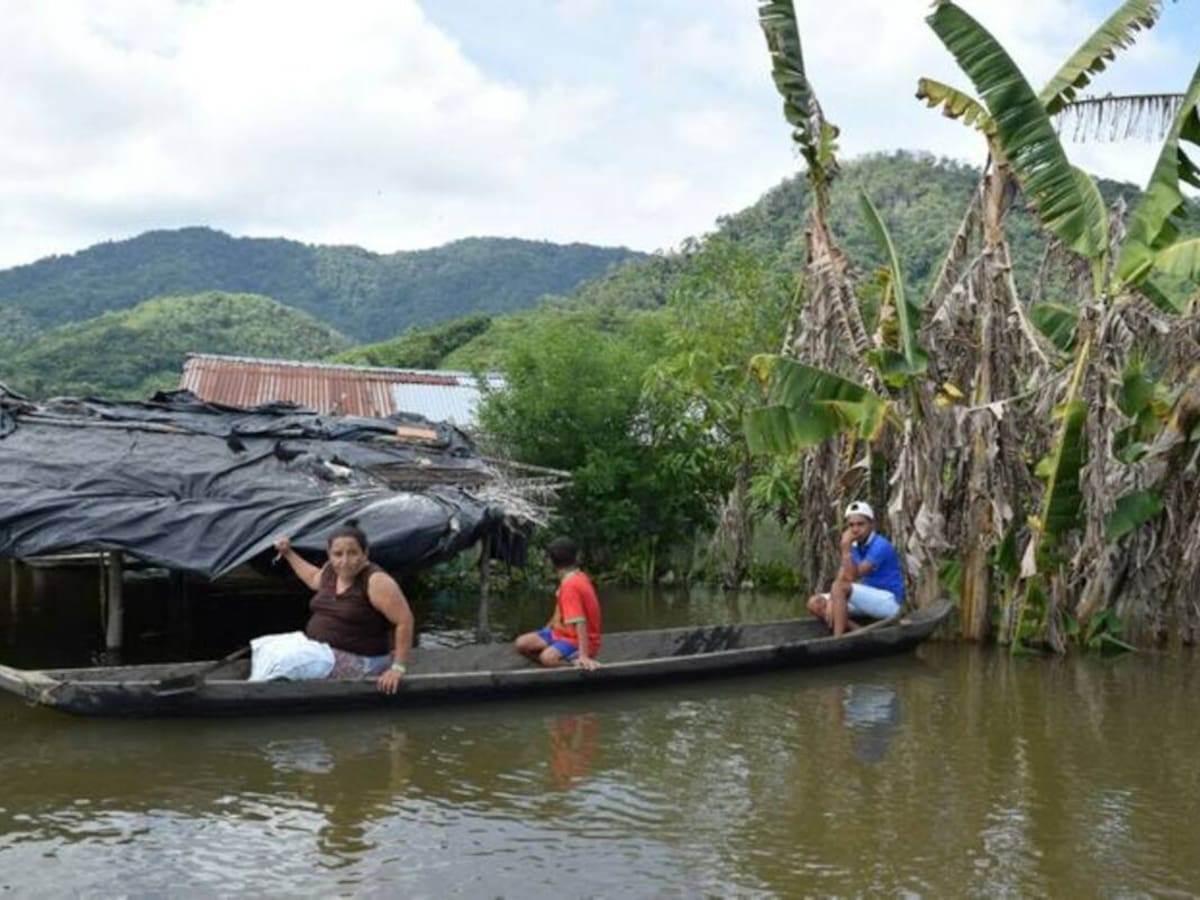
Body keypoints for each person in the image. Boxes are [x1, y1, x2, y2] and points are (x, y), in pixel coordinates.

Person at [266, 519, 414, 694]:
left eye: (353, 553)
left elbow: (405, 621)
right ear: (329, 554)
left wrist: (398, 668)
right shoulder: (331, 570)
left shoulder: (377, 581)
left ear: (365, 553)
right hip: (323, 652)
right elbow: (313, 578)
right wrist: (288, 553)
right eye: (338, 554)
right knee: (269, 646)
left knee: (288, 664)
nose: (345, 561)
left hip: (363, 660)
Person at [806, 501, 904, 637]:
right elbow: (842, 577)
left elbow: (852, 577)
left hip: (888, 602)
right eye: (851, 525)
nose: (855, 529)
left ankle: (837, 639)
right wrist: (831, 602)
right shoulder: (855, 546)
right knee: (814, 603)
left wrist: (845, 549)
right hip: (867, 601)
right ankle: (855, 629)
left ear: (871, 524)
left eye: (860, 524)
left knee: (839, 588)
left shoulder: (880, 546)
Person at [514, 536, 601, 671]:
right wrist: (547, 629)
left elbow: (580, 622)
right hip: (560, 634)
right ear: (576, 558)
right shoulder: (574, 577)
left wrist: (584, 655)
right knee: (521, 643)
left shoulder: (571, 585)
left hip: (578, 640)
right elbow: (559, 612)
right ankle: (554, 663)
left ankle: (573, 664)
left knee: (547, 658)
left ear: (551, 562)